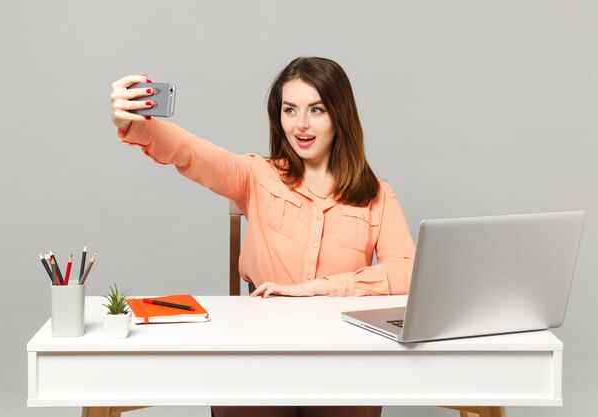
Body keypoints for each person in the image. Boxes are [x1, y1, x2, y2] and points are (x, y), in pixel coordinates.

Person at [110, 57, 415, 417]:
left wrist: (322, 287)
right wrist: (134, 124)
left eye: (316, 109)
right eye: (290, 110)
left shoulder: (377, 195)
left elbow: (410, 273)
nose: (301, 124)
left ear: (339, 115)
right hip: (259, 348)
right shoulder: (256, 175)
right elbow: (192, 153)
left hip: (342, 352)